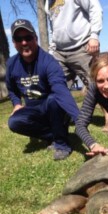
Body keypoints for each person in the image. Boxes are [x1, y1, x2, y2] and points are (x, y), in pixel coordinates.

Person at [6, 19, 80, 160]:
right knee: (14, 122)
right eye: (18, 39)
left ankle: (62, 144)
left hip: (54, 108)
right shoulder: (11, 64)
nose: (24, 43)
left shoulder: (49, 62)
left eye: (28, 38)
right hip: (33, 110)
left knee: (53, 99)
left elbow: (60, 90)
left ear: (35, 38)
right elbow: (11, 89)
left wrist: (78, 118)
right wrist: (16, 103)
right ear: (14, 43)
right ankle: (56, 134)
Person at [44, 0, 108, 132]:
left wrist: (94, 35)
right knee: (58, 88)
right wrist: (52, 50)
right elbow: (53, 28)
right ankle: (62, 121)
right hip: (59, 52)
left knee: (97, 84)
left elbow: (95, 8)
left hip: (82, 47)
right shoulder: (48, 2)